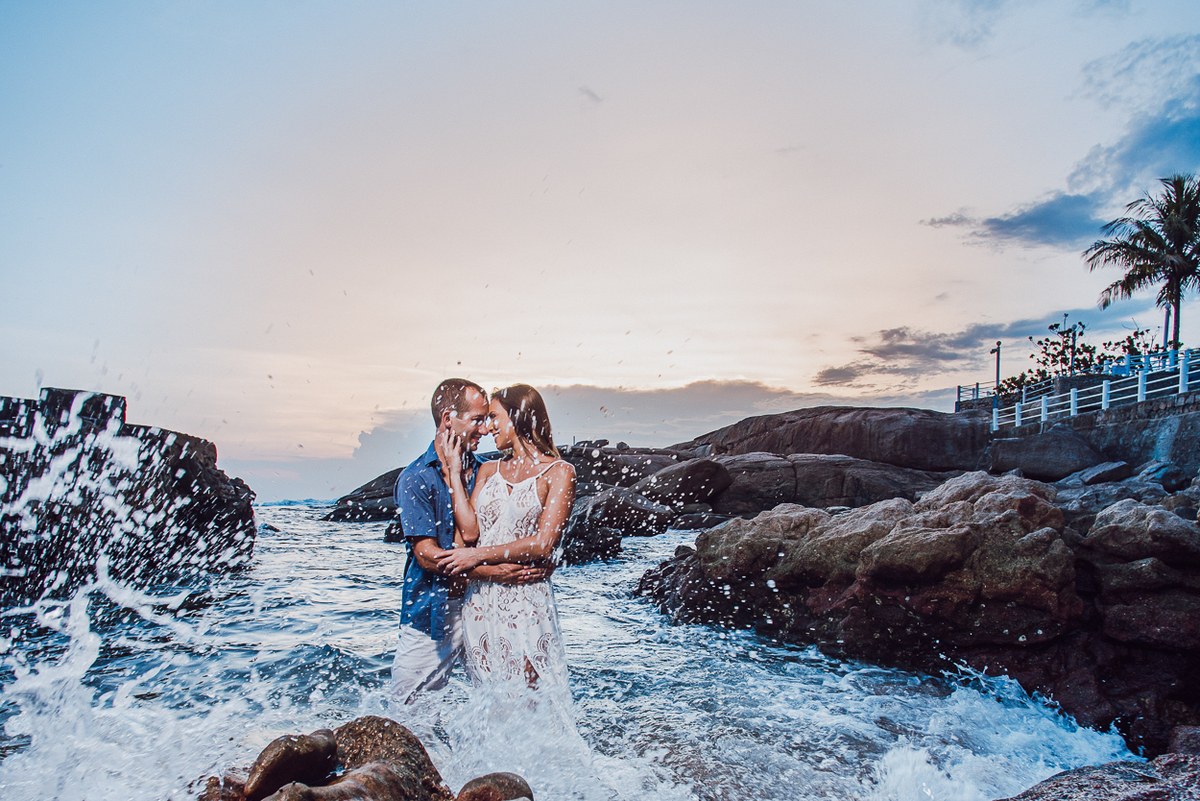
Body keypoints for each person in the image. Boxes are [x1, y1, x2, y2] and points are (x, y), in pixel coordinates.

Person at [389, 379, 552, 721]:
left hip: (487, 608)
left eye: (488, 419)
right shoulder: (416, 478)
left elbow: (520, 528)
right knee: (411, 715)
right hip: (435, 613)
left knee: (514, 709)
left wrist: (541, 561)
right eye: (477, 420)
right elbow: (427, 556)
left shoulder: (487, 471)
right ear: (449, 418)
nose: (485, 429)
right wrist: (494, 571)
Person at [435, 384, 577, 690]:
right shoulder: (487, 470)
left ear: (518, 417)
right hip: (480, 601)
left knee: (531, 698)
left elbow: (543, 543)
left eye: (494, 417)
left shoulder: (559, 472)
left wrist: (478, 556)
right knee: (488, 698)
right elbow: (466, 537)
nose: (488, 427)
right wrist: (455, 475)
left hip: (527, 600)